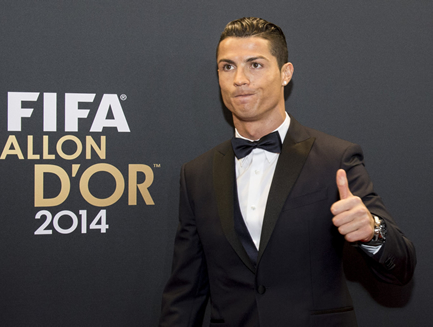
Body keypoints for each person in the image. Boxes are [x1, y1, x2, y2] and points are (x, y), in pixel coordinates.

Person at [160, 17, 416, 327]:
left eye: (255, 65)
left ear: (285, 73)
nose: (239, 79)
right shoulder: (196, 175)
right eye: (227, 67)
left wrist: (372, 231)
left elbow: (401, 267)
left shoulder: (335, 159)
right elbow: (186, 291)